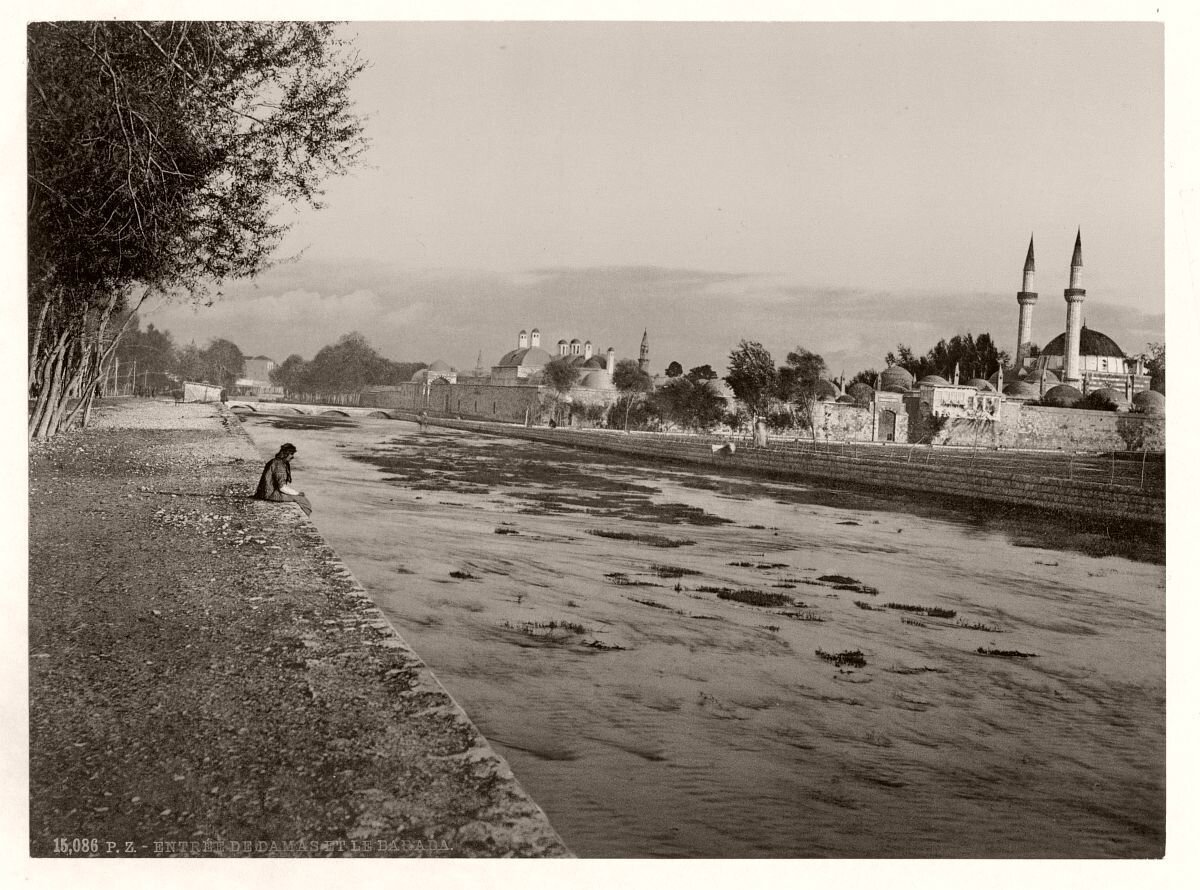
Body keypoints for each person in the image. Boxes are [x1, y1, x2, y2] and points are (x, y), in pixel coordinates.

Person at [255, 443, 313, 516]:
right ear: (286, 454)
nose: (292, 457)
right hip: (270, 494)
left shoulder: (276, 461)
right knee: (304, 501)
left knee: (301, 499)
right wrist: (297, 493)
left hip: (265, 492)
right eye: (291, 454)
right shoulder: (279, 465)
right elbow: (282, 487)